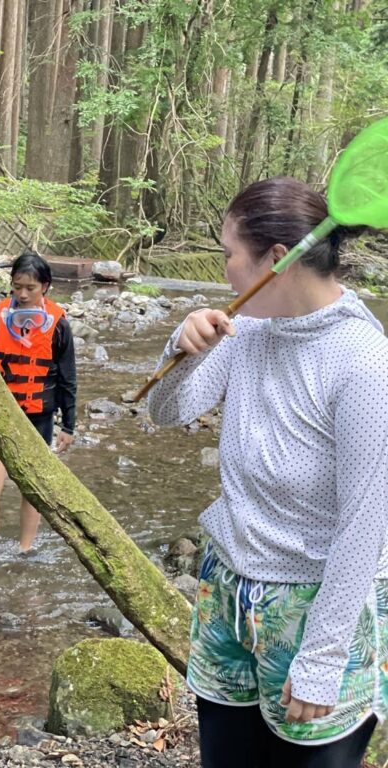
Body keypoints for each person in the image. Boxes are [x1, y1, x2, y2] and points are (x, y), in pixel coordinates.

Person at [147, 176, 388, 767]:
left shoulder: (363, 363)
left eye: (229, 254)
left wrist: (322, 658)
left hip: (314, 609)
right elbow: (166, 411)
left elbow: (366, 523)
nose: (223, 270)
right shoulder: (250, 328)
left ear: (277, 259)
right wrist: (181, 344)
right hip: (227, 587)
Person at [0, 250, 77, 572]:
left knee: (31, 489)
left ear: (45, 286)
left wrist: (69, 425)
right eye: (17, 286)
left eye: (30, 288)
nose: (22, 293)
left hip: (39, 416)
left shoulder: (59, 323)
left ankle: (25, 549)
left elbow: (67, 378)